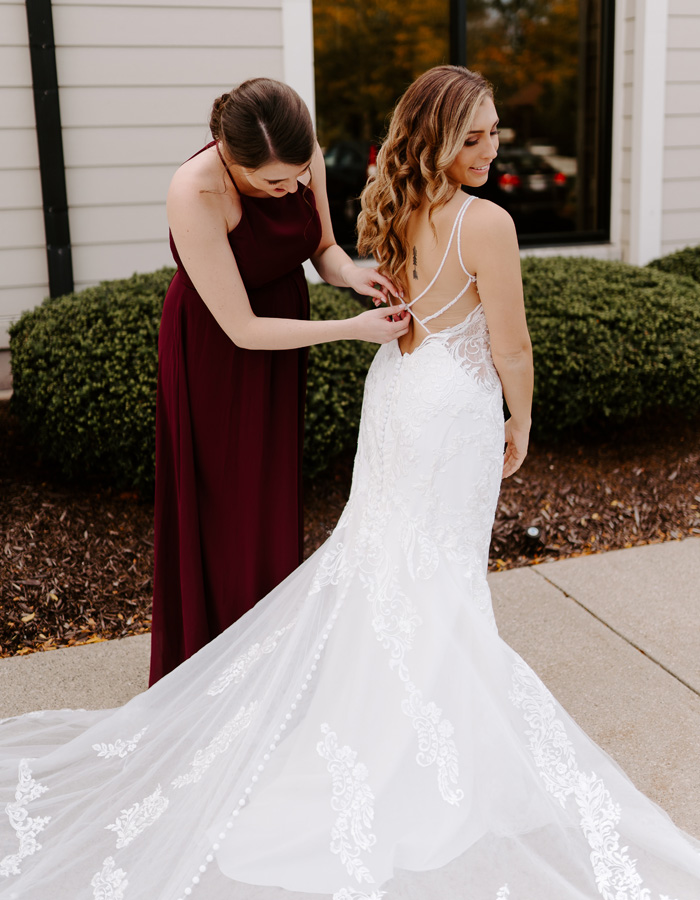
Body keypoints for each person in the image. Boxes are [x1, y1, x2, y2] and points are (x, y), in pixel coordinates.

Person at [1, 66, 699, 900]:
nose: (489, 148)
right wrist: (518, 413)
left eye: (494, 132)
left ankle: (316, 698)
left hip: (397, 389)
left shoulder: (389, 196)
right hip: (343, 380)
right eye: (471, 135)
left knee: (379, 551)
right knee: (421, 561)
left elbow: (337, 256)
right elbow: (506, 346)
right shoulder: (485, 224)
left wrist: (355, 288)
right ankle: (358, 712)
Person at [150, 78, 409, 684]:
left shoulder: (299, 153)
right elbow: (240, 328)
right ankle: (213, 665)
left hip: (284, 335)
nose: (291, 188)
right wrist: (353, 329)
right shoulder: (195, 191)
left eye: (297, 175)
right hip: (215, 346)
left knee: (269, 489)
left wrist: (356, 277)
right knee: (225, 499)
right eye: (274, 183)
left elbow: (322, 246)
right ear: (227, 155)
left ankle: (270, 655)